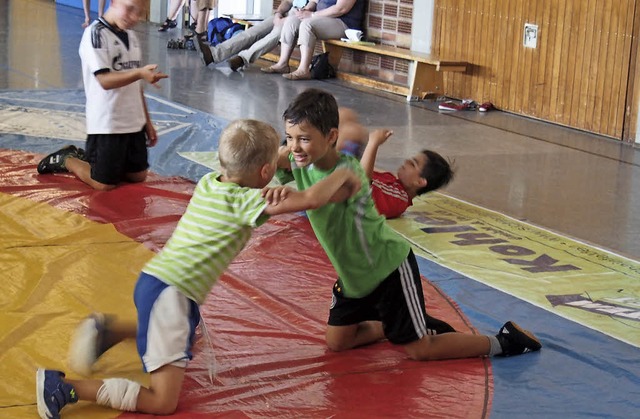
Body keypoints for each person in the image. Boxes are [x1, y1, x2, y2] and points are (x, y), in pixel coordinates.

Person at [35, 119, 361, 418]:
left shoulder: (210, 181)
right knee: (163, 401)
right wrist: (344, 171)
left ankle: (109, 332)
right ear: (265, 172)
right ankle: (65, 388)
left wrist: (287, 152)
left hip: (158, 283)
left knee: (184, 338)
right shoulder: (245, 202)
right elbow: (312, 200)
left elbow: (258, 164)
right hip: (172, 296)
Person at [277, 88, 542, 362]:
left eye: (304, 139)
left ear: (331, 137)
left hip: (387, 268)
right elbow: (274, 160)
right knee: (338, 343)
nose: (295, 146)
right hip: (354, 276)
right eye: (290, 138)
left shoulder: (350, 172)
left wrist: (254, 200)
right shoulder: (301, 159)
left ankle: (503, 341)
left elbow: (311, 199)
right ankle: (395, 323)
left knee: (419, 349)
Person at [36, 0, 169, 191]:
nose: (134, 17)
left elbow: (135, 84)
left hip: (133, 121)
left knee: (138, 176)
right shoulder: (96, 33)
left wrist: (146, 122)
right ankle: (68, 159)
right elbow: (105, 80)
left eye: (139, 13)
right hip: (108, 123)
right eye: (129, 9)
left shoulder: (130, 36)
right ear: (113, 2)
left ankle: (101, 161)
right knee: (103, 184)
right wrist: (140, 73)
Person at [337, 107, 455, 219]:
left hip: (342, 193)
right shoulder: (391, 179)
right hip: (344, 175)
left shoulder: (399, 200)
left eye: (413, 164)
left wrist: (373, 143)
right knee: (346, 115)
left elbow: (361, 186)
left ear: (419, 182)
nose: (407, 161)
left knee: (352, 132)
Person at [262, 0, 366, 80]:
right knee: (291, 20)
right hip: (322, 18)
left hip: (344, 23)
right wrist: (305, 11)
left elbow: (341, 9)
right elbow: (315, 1)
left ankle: (303, 69)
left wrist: (312, 15)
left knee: (307, 25)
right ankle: (282, 64)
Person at [194, 0, 308, 72]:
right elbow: (287, 2)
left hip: (302, 19)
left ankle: (243, 58)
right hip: (289, 13)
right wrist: (278, 14)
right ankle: (214, 54)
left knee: (276, 34)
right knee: (254, 31)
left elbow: (309, 12)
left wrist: (285, 20)